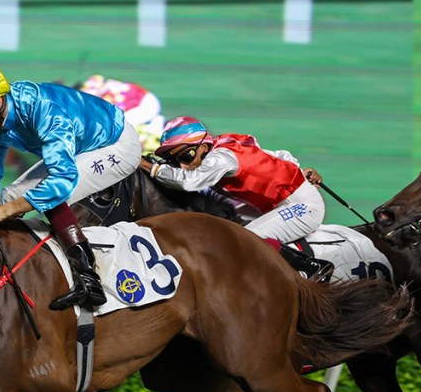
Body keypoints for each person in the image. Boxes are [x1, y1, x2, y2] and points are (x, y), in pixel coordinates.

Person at [0, 60, 143, 310]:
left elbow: (62, 181)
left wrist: (4, 211)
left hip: (116, 145)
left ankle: (89, 279)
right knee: (9, 196)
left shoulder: (43, 110)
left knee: (48, 195)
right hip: (82, 146)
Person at [142, 116, 332, 280]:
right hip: (273, 205)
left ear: (204, 146)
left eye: (186, 156)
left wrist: (150, 167)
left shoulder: (222, 157)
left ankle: (312, 267)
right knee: (223, 227)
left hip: (304, 205)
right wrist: (300, 171)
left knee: (244, 239)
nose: (183, 166)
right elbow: (279, 155)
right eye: (176, 161)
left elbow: (189, 181)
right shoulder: (226, 144)